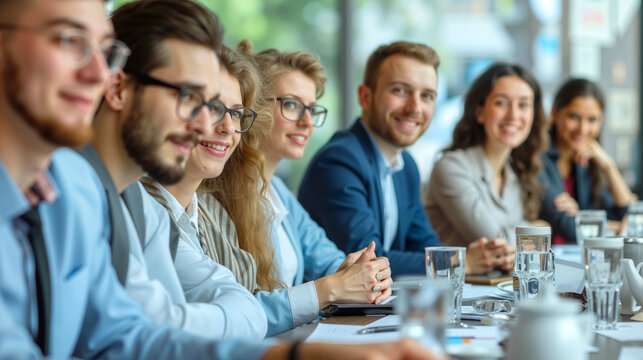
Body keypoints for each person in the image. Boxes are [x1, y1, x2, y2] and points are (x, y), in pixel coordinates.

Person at [0, 0, 445, 359]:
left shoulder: (79, 190)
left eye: (226, 110)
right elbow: (154, 329)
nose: (208, 125)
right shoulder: (82, 189)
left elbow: (127, 337)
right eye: (68, 40)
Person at [166, 42, 393, 336]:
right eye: (292, 105)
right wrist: (334, 287)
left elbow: (325, 257)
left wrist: (355, 271)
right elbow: (237, 310)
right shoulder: (212, 192)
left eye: (311, 108)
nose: (307, 121)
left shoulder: (278, 191)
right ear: (258, 109)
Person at [85, 0, 268, 339]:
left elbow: (249, 309)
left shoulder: (139, 204)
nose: (204, 125)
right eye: (187, 96)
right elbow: (144, 332)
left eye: (207, 104)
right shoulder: (70, 195)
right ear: (118, 88)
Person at [299, 41, 514, 275]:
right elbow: (366, 261)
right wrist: (460, 262)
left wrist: (470, 257)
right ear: (365, 97)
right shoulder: (339, 161)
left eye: (427, 96)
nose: (415, 107)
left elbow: (424, 244)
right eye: (400, 91)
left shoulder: (406, 166)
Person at [424, 63, 549, 247]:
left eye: (523, 105)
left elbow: (516, 246)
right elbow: (498, 243)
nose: (513, 115)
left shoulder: (515, 172)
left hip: (503, 277)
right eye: (501, 103)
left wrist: (527, 233)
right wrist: (536, 229)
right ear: (479, 112)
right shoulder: (451, 167)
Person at [539, 78, 632, 243]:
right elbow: (568, 226)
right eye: (574, 117)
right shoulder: (539, 158)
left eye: (592, 120)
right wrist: (617, 227)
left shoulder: (584, 162)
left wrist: (609, 167)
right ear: (555, 114)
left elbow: (626, 214)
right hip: (546, 261)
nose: (583, 129)